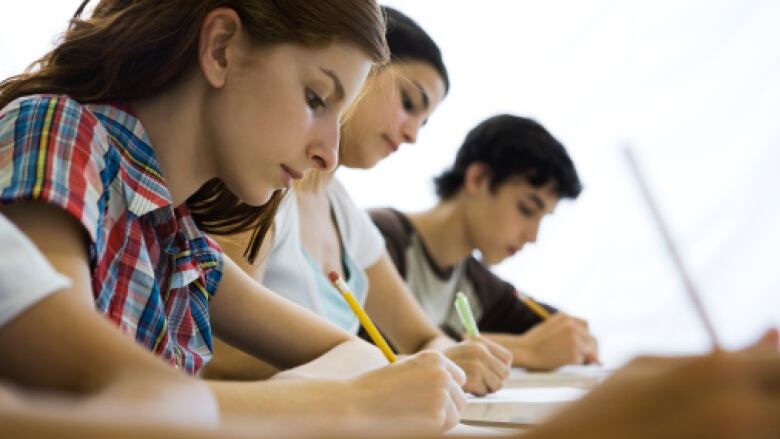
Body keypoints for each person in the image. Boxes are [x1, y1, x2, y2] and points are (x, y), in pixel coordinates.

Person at [0, 0, 465, 431]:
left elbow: (354, 353)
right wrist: (347, 405)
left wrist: (314, 405)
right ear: (221, 49)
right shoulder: (57, 130)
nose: (329, 154)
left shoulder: (178, 238)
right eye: (315, 98)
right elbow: (70, 382)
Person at [206, 6, 513, 397]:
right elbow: (220, 354)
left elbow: (423, 338)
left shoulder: (346, 215)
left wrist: (432, 359)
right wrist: (383, 370)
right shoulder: (260, 188)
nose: (413, 135)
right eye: (408, 102)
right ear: (360, 73)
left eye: (424, 122)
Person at [371, 114, 600, 370]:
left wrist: (574, 339)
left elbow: (554, 331)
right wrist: (527, 350)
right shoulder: (374, 239)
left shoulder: (477, 283)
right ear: (478, 178)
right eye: (526, 209)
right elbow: (375, 349)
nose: (533, 236)